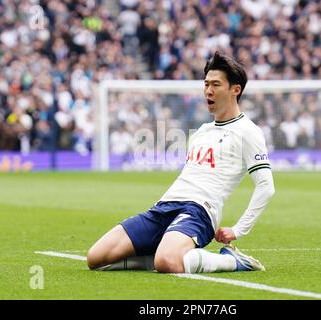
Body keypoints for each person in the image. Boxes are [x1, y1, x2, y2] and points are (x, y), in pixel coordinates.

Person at [87, 51, 275, 273]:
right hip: (164, 207)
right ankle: (164, 253)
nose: (208, 91)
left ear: (236, 89)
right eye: (206, 85)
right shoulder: (202, 131)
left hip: (199, 211)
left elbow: (266, 186)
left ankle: (232, 261)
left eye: (216, 85)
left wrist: (238, 230)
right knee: (96, 258)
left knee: (167, 263)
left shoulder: (248, 131)